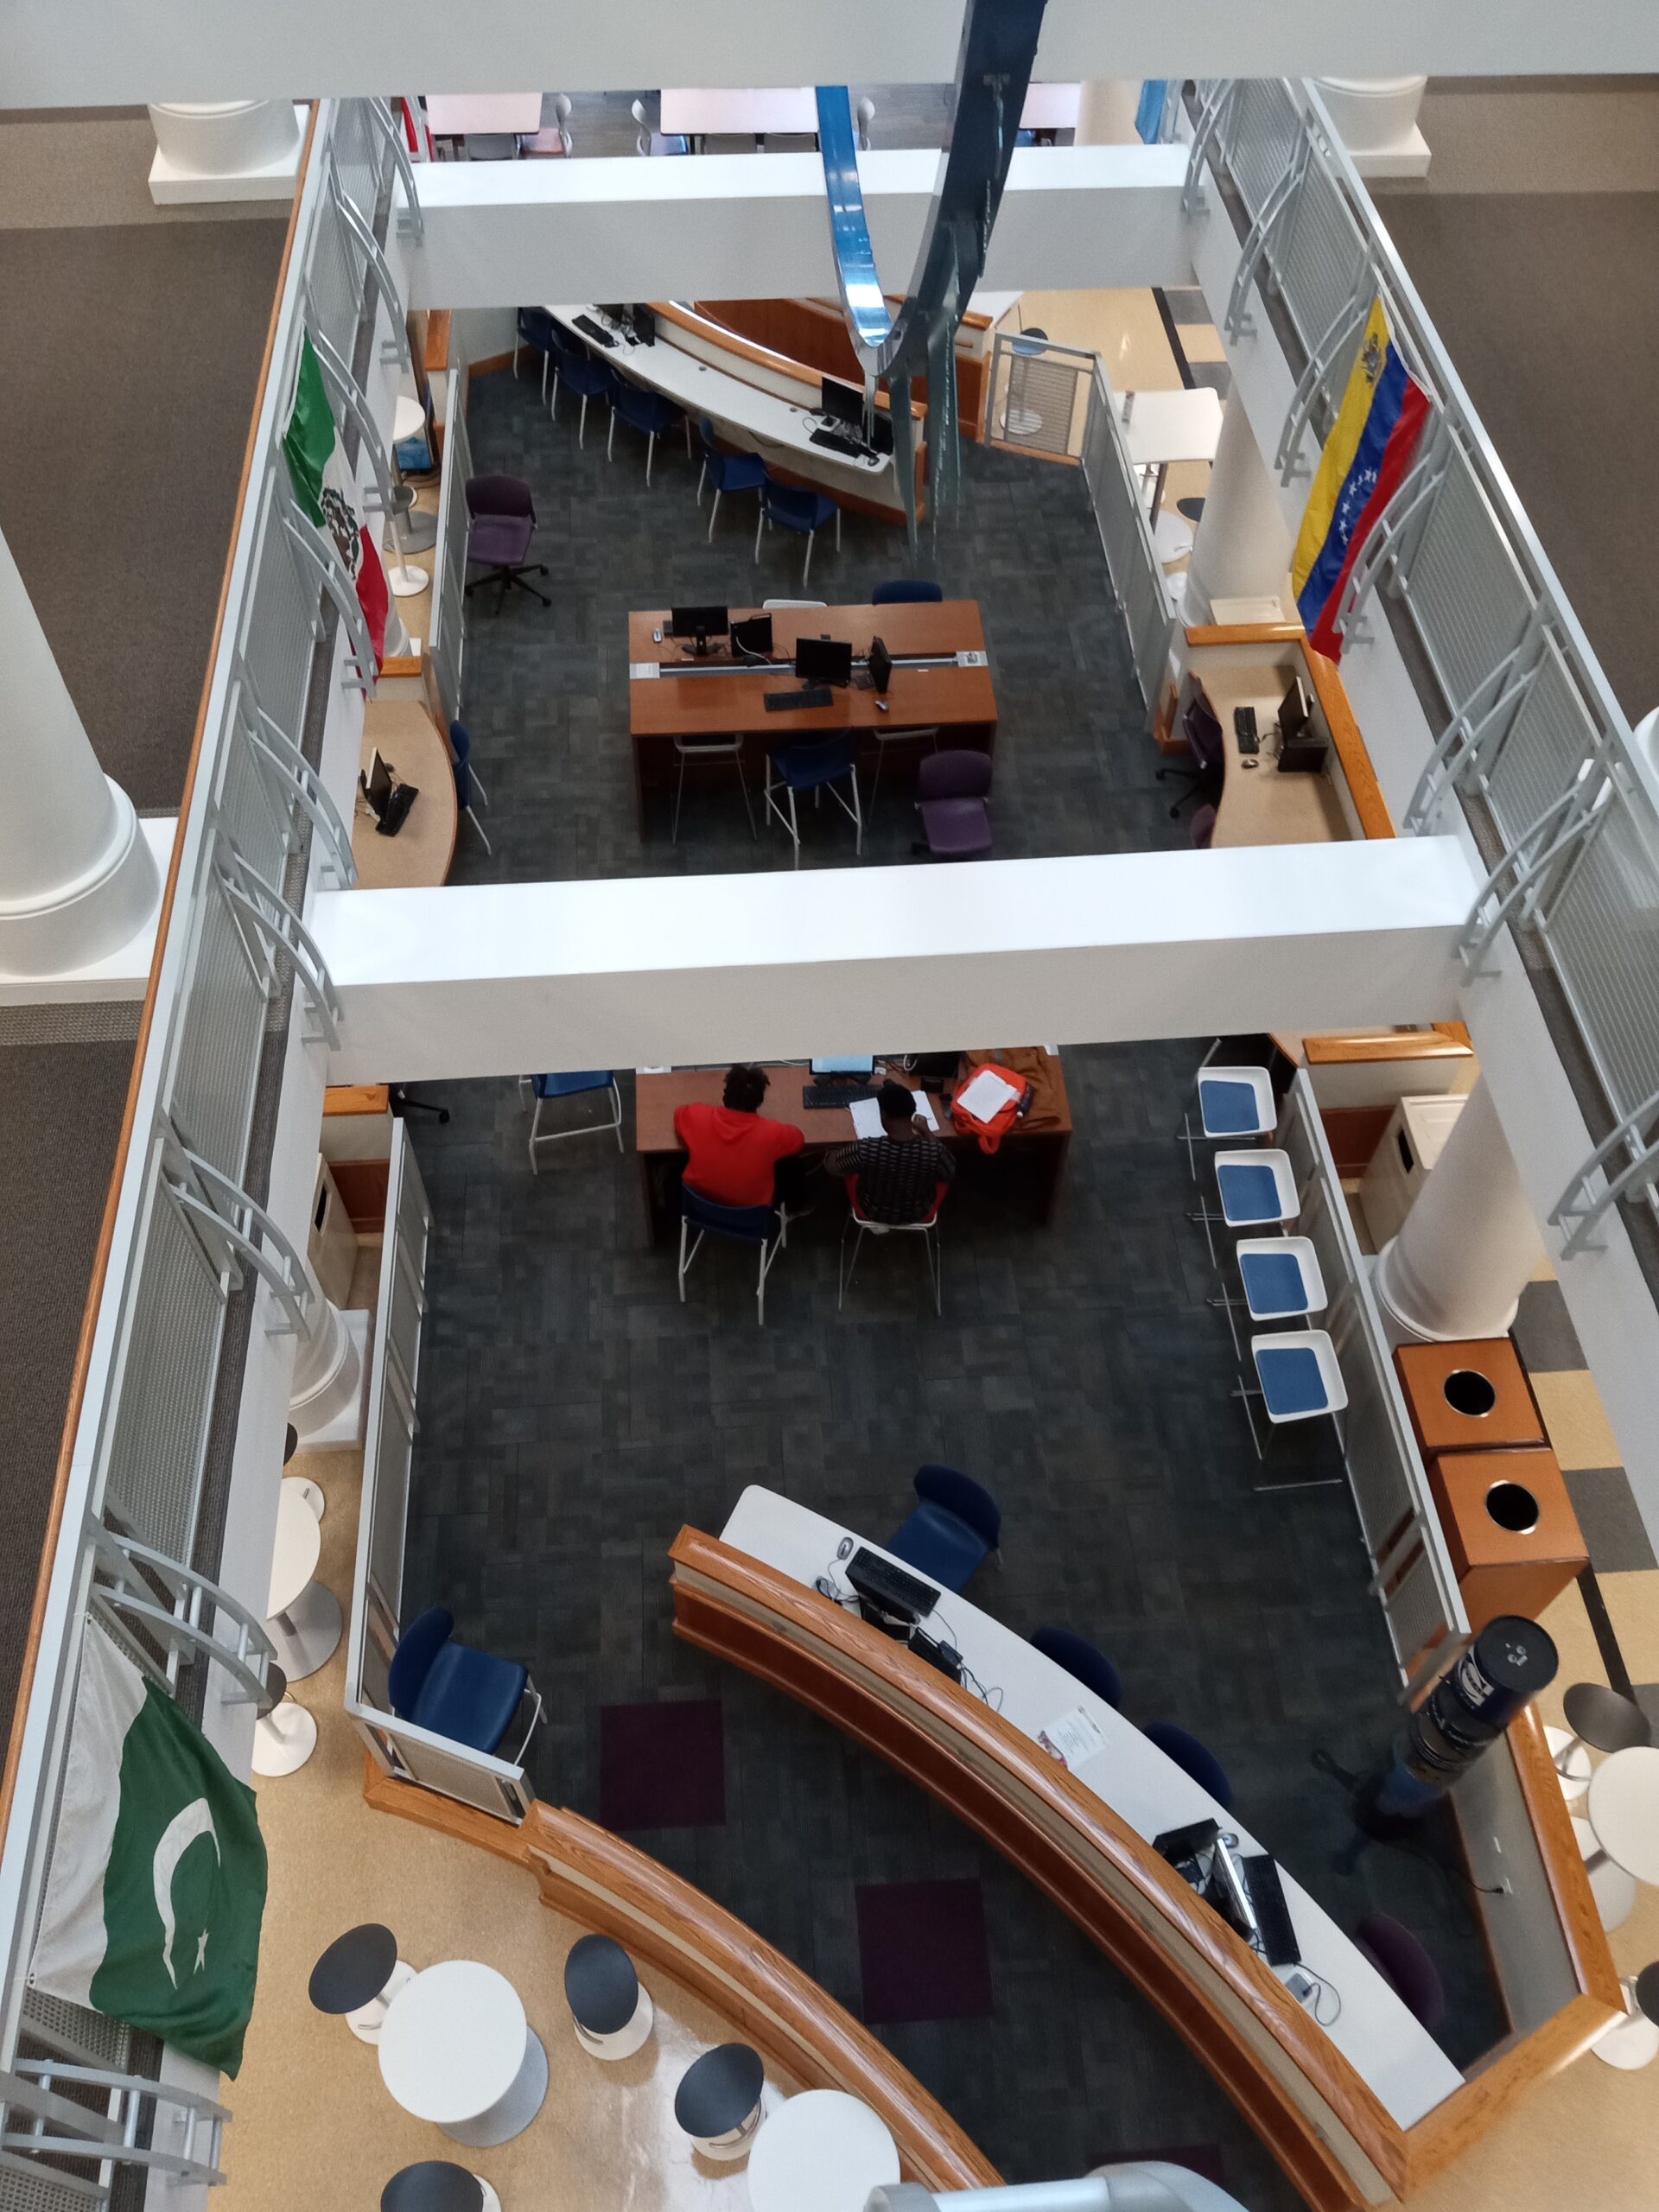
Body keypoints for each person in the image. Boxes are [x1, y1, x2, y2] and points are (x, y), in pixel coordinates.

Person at [674, 1065, 807, 1211]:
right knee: (793, 1165)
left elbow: (679, 1114)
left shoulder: (697, 1116)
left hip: (701, 1209)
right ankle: (799, 1206)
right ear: (759, 1101)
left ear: (725, 1094)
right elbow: (798, 1140)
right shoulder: (773, 1133)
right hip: (751, 1217)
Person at [827, 1078, 955, 1224]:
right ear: (912, 1112)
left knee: (850, 1167)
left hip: (873, 1211)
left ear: (883, 1115)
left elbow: (833, 1167)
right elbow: (949, 1173)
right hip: (917, 1212)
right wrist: (927, 1132)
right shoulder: (934, 1151)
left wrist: (831, 1152)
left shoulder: (867, 1149)